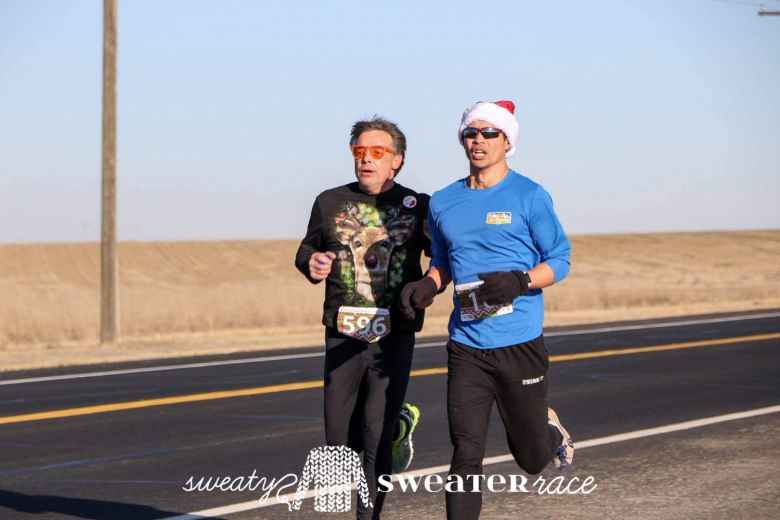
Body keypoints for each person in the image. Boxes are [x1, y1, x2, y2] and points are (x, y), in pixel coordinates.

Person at [400, 100, 574, 520]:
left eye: (488, 133)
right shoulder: (444, 202)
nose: (478, 141)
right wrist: (427, 285)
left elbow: (561, 259)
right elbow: (443, 263)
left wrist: (521, 281)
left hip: (520, 343)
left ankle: (548, 430)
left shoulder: (529, 195)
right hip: (467, 345)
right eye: (470, 133)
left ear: (507, 140)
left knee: (531, 460)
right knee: (465, 452)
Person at [295, 116, 429, 520]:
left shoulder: (417, 205)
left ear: (397, 160)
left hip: (394, 335)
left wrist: (427, 286)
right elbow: (306, 251)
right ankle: (400, 423)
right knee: (338, 440)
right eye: (359, 152)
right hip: (345, 335)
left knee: (376, 435)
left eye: (377, 152)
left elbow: (442, 257)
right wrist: (312, 263)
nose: (366, 160)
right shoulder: (330, 202)